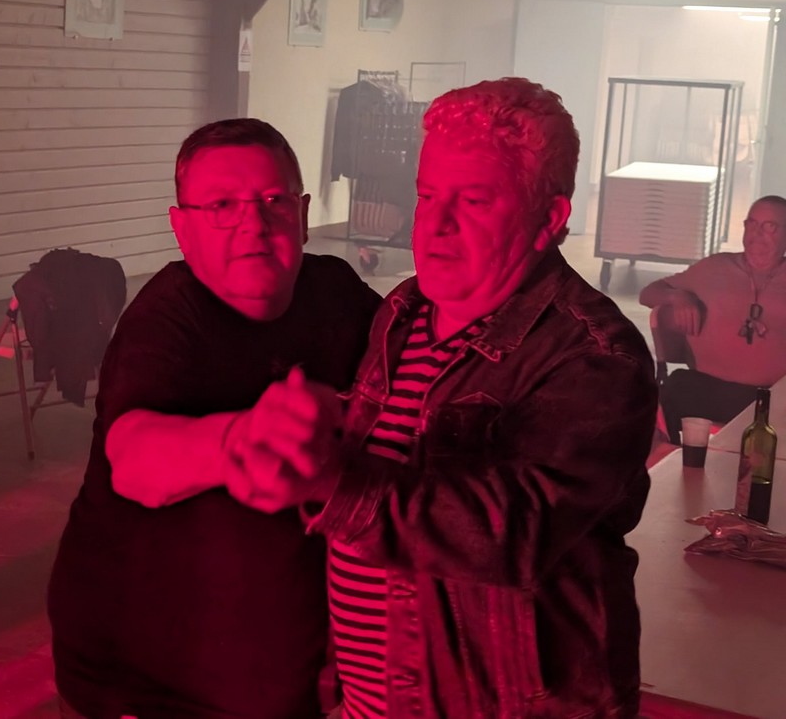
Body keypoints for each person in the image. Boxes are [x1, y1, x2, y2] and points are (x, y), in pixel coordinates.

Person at [232, 78, 659, 717]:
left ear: (548, 220)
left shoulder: (596, 356)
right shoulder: (403, 312)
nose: (436, 223)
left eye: (475, 201)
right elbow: (402, 459)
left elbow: (513, 528)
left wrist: (332, 481)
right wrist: (321, 425)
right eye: (427, 195)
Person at [47, 118, 382, 719]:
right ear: (182, 228)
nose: (254, 225)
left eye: (274, 201)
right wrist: (239, 439)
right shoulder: (166, 320)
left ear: (303, 214)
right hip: (151, 683)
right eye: (222, 206)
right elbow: (135, 458)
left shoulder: (334, 290)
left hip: (277, 676)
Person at [639, 195, 786, 443]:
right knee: (657, 399)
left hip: (771, 399)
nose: (756, 234)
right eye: (751, 224)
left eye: (769, 226)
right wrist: (677, 296)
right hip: (704, 387)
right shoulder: (714, 267)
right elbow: (648, 293)